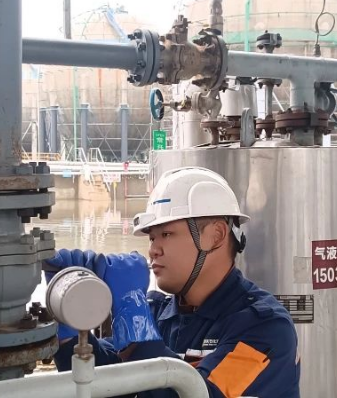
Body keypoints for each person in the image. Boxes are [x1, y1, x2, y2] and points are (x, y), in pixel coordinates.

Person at [47, 167, 301, 398]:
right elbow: (102, 384)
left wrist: (133, 320)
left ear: (216, 236)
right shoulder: (158, 314)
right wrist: (68, 324)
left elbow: (199, 393)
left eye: (167, 234)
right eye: (152, 238)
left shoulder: (265, 329)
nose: (153, 250)